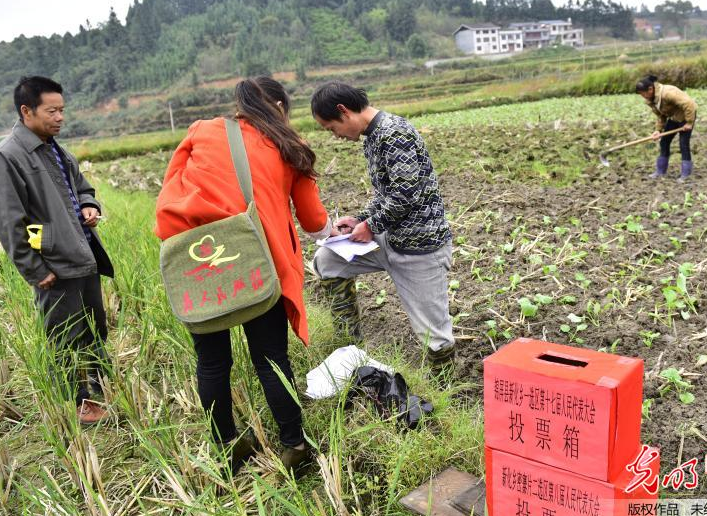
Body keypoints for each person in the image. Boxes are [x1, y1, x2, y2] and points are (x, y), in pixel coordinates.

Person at [154, 76, 331, 475]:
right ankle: (294, 448)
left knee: (212, 363)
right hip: (257, 261)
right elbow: (314, 220)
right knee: (271, 360)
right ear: (281, 108)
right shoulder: (289, 145)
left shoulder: (202, 131)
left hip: (201, 265)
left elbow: (170, 193)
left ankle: (228, 445)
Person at [310, 81, 455, 370]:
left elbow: (406, 195)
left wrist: (372, 225)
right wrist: (360, 220)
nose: (335, 136)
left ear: (344, 111)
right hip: (390, 238)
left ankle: (443, 389)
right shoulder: (373, 137)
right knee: (328, 260)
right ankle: (350, 351)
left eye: (331, 128)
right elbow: (386, 194)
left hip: (419, 248)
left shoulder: (394, 133)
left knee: (436, 338)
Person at [0, 76, 114, 424]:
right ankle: (77, 405)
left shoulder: (54, 148)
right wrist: (36, 271)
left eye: (62, 110)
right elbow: (9, 222)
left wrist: (88, 204)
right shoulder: (11, 156)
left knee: (95, 327)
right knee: (63, 338)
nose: (60, 117)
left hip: (83, 253)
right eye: (52, 111)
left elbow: (80, 186)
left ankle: (100, 385)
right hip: (54, 263)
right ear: (27, 111)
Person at [636, 75, 697, 182]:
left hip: (686, 117)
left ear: (650, 89)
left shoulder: (668, 93)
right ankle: (660, 171)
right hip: (674, 118)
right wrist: (658, 130)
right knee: (664, 142)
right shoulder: (651, 99)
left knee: (683, 144)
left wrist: (689, 122)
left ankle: (686, 174)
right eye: (641, 94)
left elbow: (689, 104)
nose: (643, 96)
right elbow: (661, 115)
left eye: (643, 93)